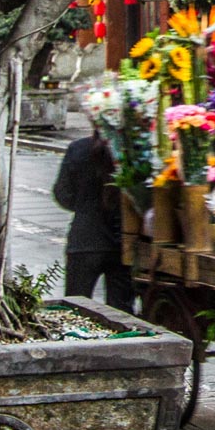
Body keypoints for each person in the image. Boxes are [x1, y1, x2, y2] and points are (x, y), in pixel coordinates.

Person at [52, 133, 134, 313]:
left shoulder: (78, 148)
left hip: (84, 241)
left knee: (75, 309)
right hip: (123, 242)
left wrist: (83, 206)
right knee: (122, 311)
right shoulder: (132, 150)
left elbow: (62, 194)